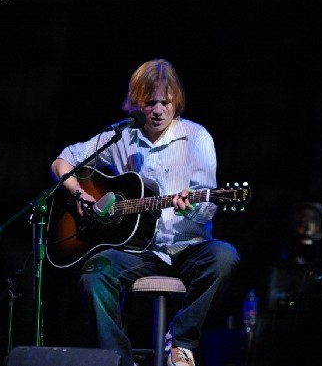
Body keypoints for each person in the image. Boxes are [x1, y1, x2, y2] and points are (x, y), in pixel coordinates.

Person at [50, 59, 240, 366]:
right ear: (136, 102)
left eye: (165, 102)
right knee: (94, 274)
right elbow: (62, 161)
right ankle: (118, 359)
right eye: (149, 102)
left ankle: (180, 341)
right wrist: (80, 194)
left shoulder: (197, 138)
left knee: (225, 257)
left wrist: (192, 206)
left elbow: (207, 208)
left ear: (175, 101)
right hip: (138, 251)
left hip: (188, 249)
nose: (158, 110)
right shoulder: (121, 136)